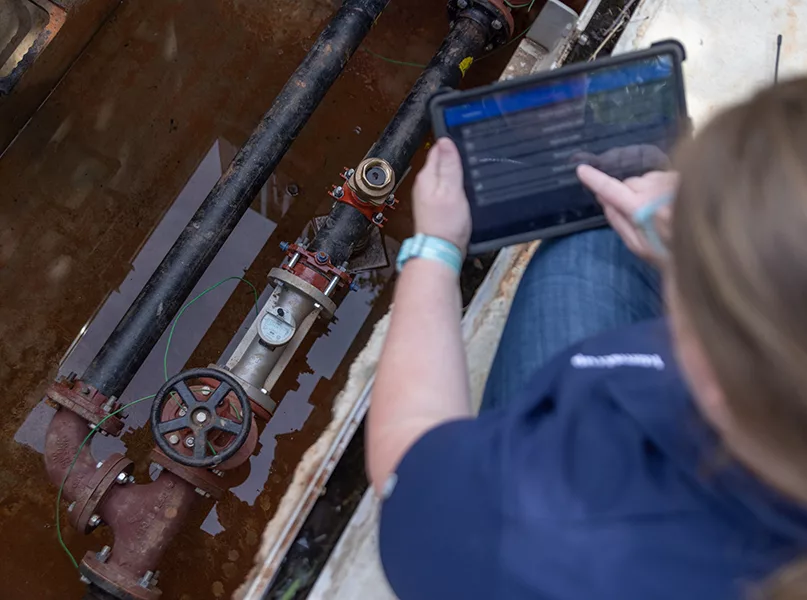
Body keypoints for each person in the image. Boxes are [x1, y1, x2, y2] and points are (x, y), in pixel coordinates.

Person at [367, 79, 807, 600]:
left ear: (718, 369)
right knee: (602, 221)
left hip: (578, 499)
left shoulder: (551, 536)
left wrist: (435, 249)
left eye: (696, 275)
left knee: (585, 237)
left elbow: (405, 456)